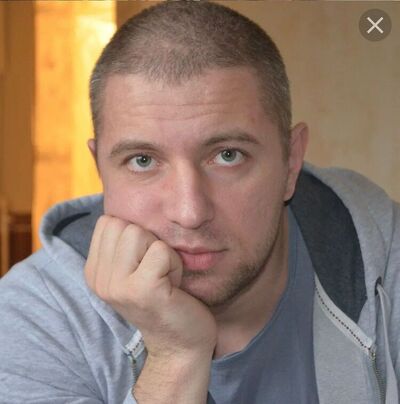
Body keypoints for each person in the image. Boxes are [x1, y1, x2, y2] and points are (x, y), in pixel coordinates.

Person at [0, 2, 399, 403]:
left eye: (228, 155)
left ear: (290, 162)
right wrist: (176, 357)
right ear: (100, 170)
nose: (189, 213)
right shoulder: (34, 319)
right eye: (143, 161)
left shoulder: (389, 268)